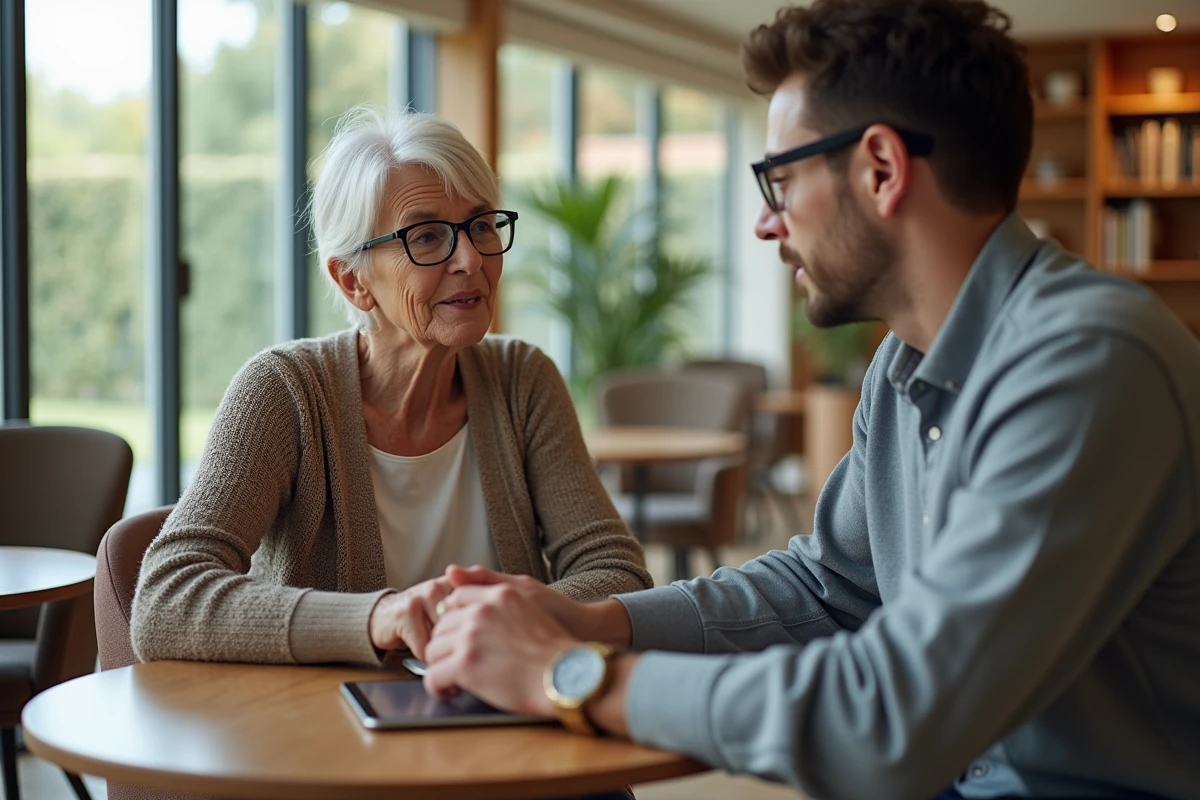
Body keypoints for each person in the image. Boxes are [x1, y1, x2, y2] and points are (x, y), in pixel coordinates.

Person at [418, 1, 1200, 798]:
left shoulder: (1090, 362)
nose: (764, 224)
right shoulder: (902, 364)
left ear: (882, 170)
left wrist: (569, 674)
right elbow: (830, 588)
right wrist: (596, 623)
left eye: (779, 181)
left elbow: (892, 721)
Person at [130, 107, 651, 667]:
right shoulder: (283, 392)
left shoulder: (522, 380)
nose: (470, 259)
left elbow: (619, 576)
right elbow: (165, 600)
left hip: (502, 718)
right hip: (320, 730)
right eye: (426, 237)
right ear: (353, 281)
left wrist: (490, 620)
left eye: (480, 225)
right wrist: (378, 618)